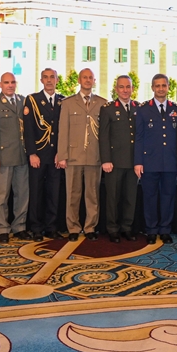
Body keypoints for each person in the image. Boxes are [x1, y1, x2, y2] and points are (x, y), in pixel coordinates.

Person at [57, 68, 107, 240]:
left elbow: (105, 133)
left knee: (92, 195)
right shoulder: (68, 103)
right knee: (73, 194)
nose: (87, 80)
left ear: (94, 81)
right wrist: (62, 155)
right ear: (79, 80)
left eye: (90, 78)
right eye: (84, 77)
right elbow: (63, 131)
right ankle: (73, 227)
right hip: (73, 156)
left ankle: (90, 227)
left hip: (94, 156)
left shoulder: (102, 103)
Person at [0, 72, 29, 244]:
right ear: (0, 84)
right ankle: (2, 228)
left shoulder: (23, 101)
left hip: (22, 156)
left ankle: (20, 227)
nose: (10, 85)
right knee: (1, 196)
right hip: (2, 158)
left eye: (13, 82)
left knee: (22, 195)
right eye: (6, 82)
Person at [134, 73, 177, 244]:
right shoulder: (143, 109)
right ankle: (151, 229)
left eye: (164, 85)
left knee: (168, 196)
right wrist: (138, 161)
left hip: (170, 161)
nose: (161, 89)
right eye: (157, 86)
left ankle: (165, 229)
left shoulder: (176, 109)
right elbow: (138, 137)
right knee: (150, 197)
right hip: (149, 162)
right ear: (152, 88)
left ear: (168, 87)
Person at [24, 68, 64, 239]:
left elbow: (64, 130)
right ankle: (36, 227)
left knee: (53, 193)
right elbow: (28, 129)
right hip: (38, 156)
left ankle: (51, 227)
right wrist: (32, 153)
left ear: (57, 80)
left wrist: (61, 153)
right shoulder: (32, 100)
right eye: (46, 77)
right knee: (37, 192)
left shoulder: (63, 101)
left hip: (55, 156)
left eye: (52, 77)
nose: (49, 81)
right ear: (41, 80)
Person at [99, 74, 139, 242]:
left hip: (133, 162)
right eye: (121, 87)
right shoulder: (108, 108)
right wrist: (106, 159)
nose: (125, 90)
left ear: (132, 89)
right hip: (114, 162)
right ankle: (113, 228)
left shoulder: (138, 107)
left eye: (128, 87)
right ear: (116, 89)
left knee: (130, 197)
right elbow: (103, 136)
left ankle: (127, 228)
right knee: (113, 198)